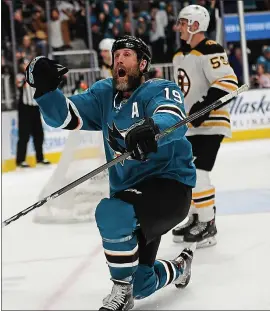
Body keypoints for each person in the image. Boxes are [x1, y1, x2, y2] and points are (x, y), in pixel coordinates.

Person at [25, 36, 196, 310]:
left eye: (127, 54)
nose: (119, 59)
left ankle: (120, 292)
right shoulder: (103, 94)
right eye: (117, 54)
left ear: (142, 64)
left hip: (170, 187)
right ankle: (179, 267)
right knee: (142, 283)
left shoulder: (160, 88)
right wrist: (46, 91)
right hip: (131, 195)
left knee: (111, 211)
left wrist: (153, 128)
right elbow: (65, 116)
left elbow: (173, 116)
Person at [172, 5, 238, 248]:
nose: (178, 27)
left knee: (198, 173)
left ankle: (208, 224)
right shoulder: (179, 55)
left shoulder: (211, 50)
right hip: (190, 127)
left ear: (195, 25)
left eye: (182, 22)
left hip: (211, 124)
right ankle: (195, 218)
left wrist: (202, 107)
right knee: (187, 175)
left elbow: (228, 83)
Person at [16, 58, 51, 168]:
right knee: (24, 134)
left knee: (39, 134)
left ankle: (40, 158)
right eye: (25, 63)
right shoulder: (20, 76)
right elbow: (20, 85)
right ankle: (20, 160)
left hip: (35, 107)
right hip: (25, 108)